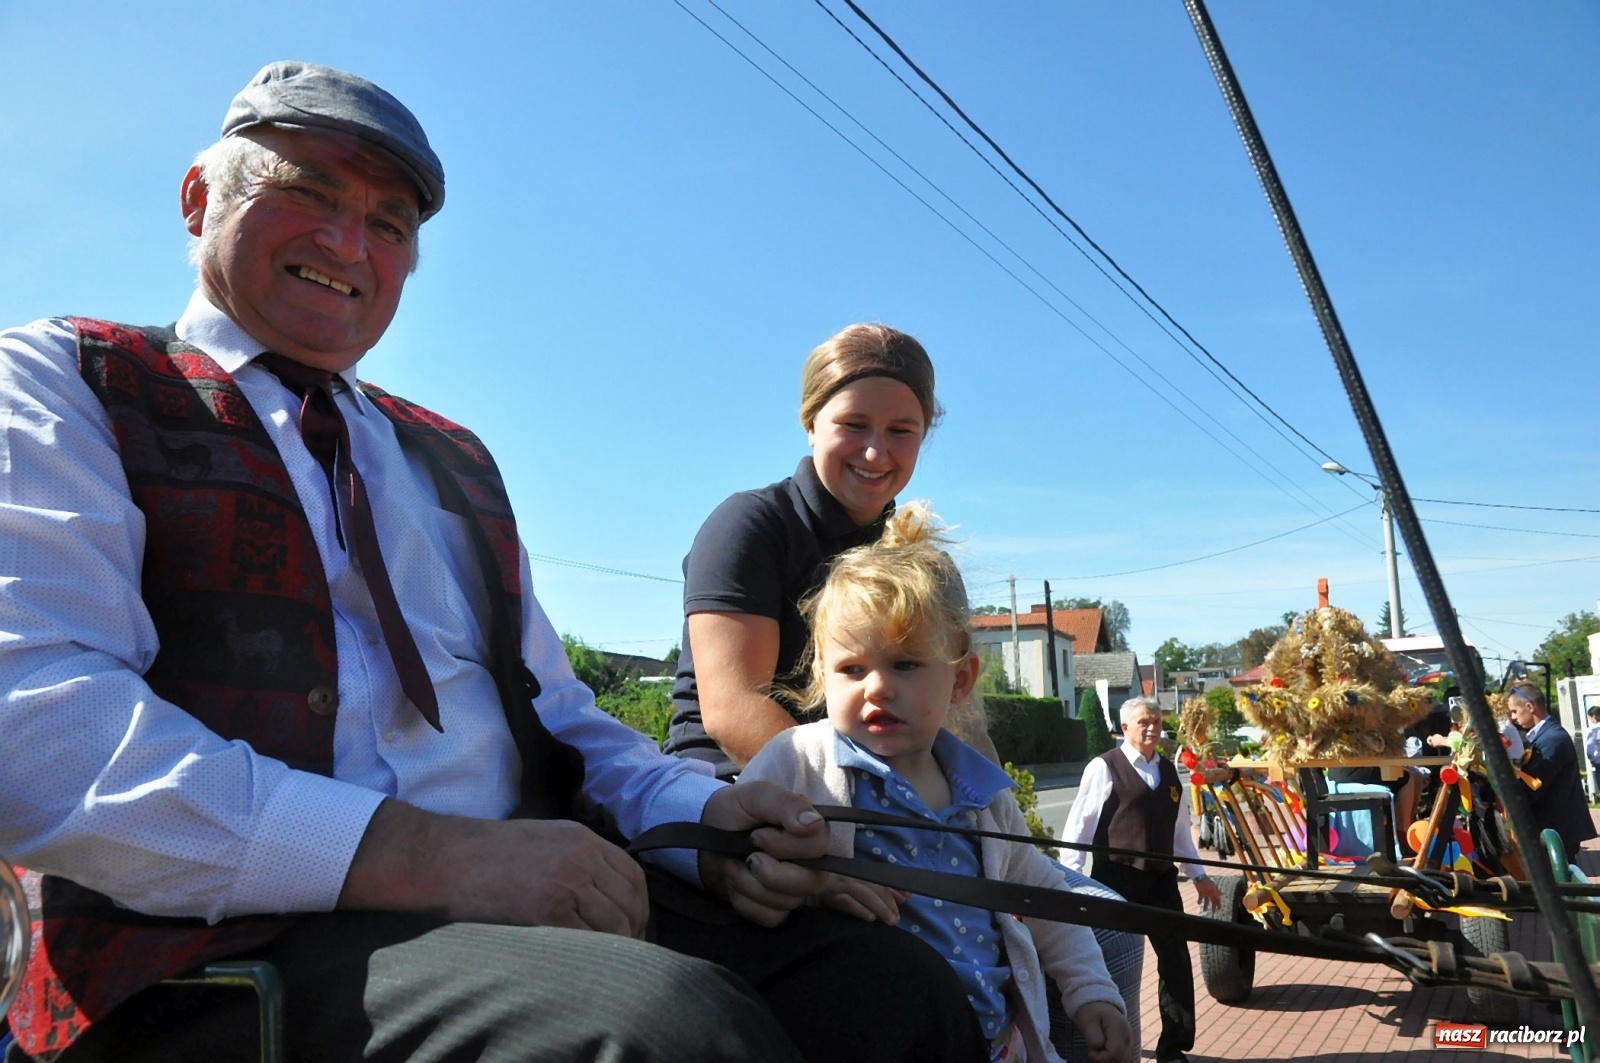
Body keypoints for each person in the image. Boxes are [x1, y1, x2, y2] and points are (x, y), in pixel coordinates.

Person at [0, 62, 989, 1063]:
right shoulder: (68, 382)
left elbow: (561, 719)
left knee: (895, 988)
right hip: (227, 950)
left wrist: (711, 822)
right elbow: (35, 727)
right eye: (306, 189)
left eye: (390, 224)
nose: (349, 243)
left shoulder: (450, 455)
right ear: (199, 198)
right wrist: (428, 856)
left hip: (526, 892)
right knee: (664, 1034)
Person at [740, 504, 1135, 1063]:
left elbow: (1045, 898)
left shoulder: (984, 797)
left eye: (905, 665)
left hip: (993, 1047)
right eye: (852, 669)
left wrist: (1093, 993)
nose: (877, 687)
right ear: (821, 673)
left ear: (961, 679)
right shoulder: (799, 762)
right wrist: (814, 885)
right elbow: (731, 852)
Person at [662, 323, 946, 781]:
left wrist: (989, 818)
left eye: (901, 431)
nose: (876, 453)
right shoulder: (749, 526)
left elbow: (953, 712)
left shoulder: (918, 558)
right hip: (727, 787)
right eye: (854, 425)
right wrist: (868, 809)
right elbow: (733, 709)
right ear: (811, 424)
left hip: (877, 802)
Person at [1061, 698, 1223, 1063]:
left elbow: (1181, 834)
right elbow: (1078, 829)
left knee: (1176, 963)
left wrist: (1200, 876)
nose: (1152, 728)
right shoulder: (1103, 768)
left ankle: (1173, 1048)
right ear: (1125, 729)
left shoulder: (1169, 771)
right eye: (1143, 722)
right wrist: (1068, 881)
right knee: (1111, 963)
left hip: (1162, 882)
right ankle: (1110, 1039)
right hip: (1115, 879)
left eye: (1156, 721)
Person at [1506, 681, 1597, 856]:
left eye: (1514, 712)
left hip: (1556, 829)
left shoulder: (1552, 739)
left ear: (1529, 706)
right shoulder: (1546, 735)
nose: (1513, 718)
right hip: (1556, 828)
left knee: (1561, 880)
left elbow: (1534, 785)